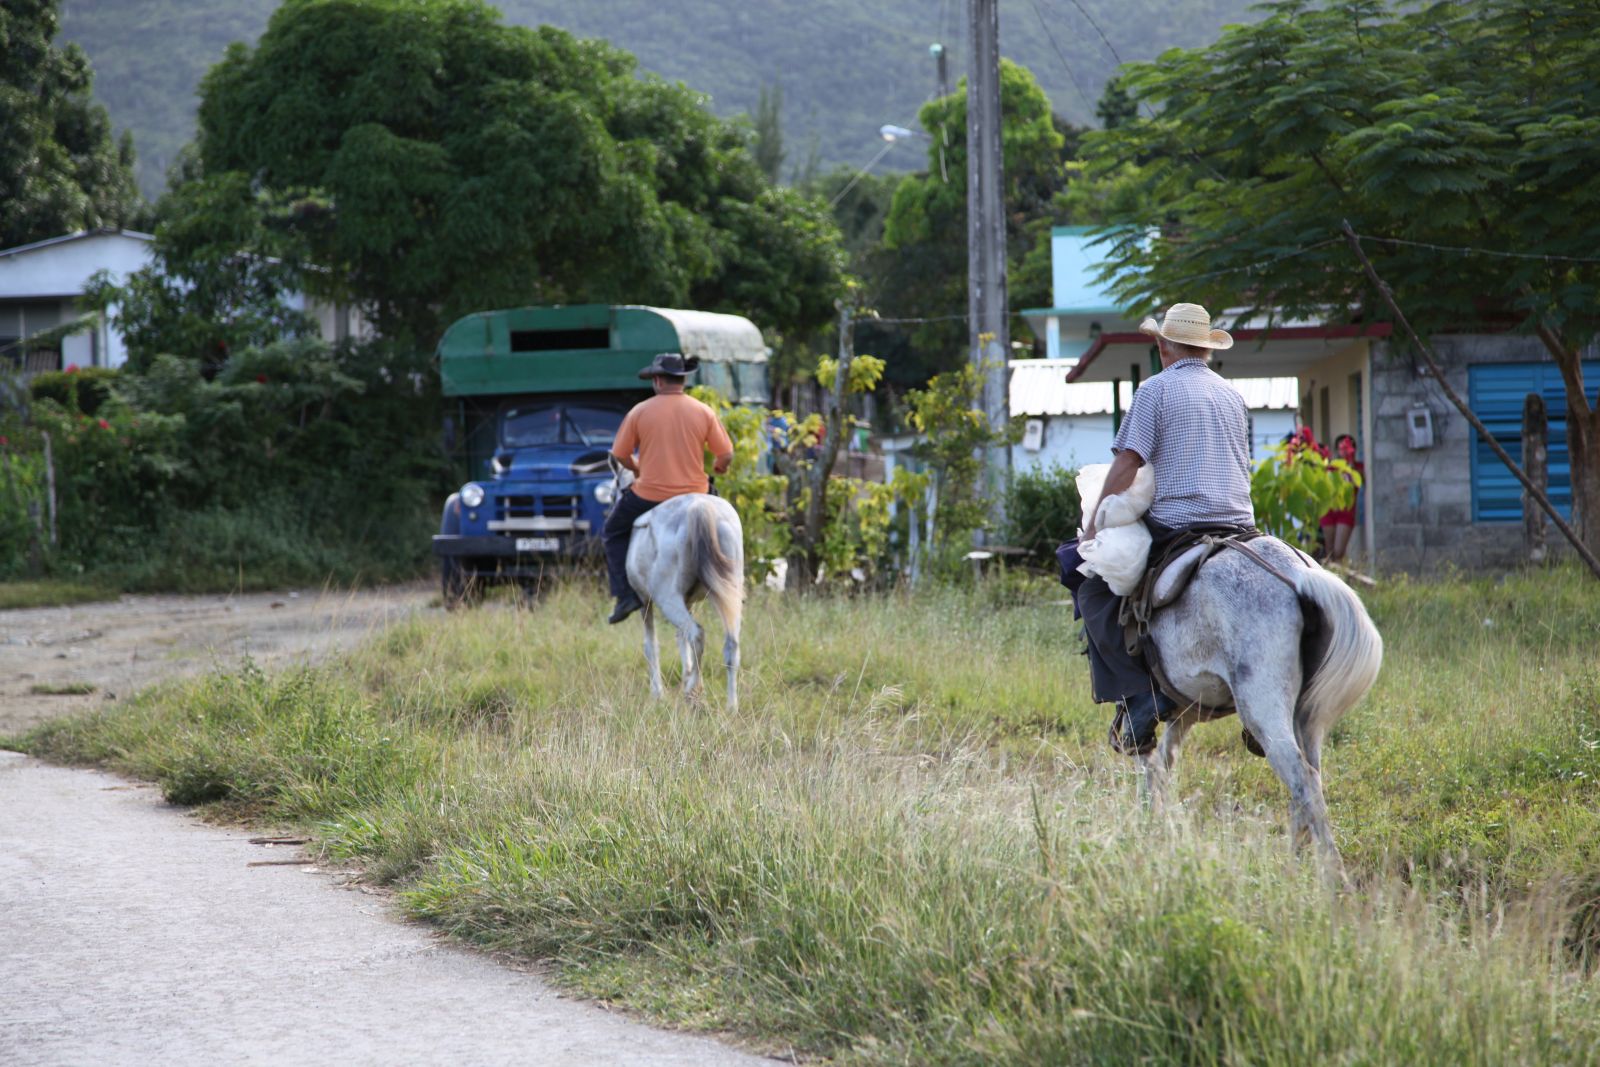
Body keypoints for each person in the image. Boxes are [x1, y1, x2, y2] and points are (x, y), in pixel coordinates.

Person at [1070, 303, 1259, 755]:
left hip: (1181, 525)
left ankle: (1139, 699)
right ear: (1207, 348)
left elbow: (1127, 463)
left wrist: (1094, 523)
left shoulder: (1154, 390)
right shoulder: (1233, 396)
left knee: (1092, 588)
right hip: (1241, 526)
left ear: (1163, 345)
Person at [602, 352, 735, 625]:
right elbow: (726, 454)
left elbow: (620, 455)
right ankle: (731, 580)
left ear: (658, 381)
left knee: (612, 531)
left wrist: (637, 468)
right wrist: (720, 467)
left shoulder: (639, 412)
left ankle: (625, 596)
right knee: (727, 524)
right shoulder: (703, 411)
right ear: (682, 380)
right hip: (697, 492)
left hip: (650, 495)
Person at [1319, 433, 1364, 563]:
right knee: (1329, 551)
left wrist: (1350, 465)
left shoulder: (1358, 468)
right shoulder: (1332, 467)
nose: (1344, 452)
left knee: (1339, 551)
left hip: (1346, 512)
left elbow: (1360, 480)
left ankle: (1339, 572)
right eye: (1341, 449)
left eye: (1346, 449)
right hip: (1329, 511)